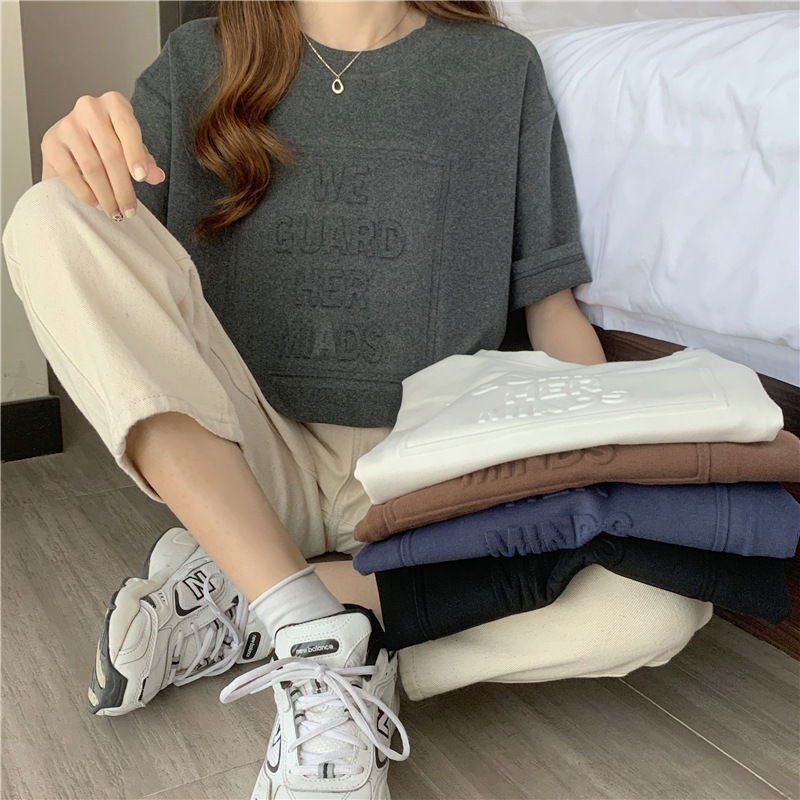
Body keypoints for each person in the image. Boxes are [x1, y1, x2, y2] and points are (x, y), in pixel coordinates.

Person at [1, 2, 713, 798]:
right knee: (47, 214)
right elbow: (107, 264)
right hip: (254, 457)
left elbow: (552, 311)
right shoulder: (197, 60)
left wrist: (616, 462)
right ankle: (307, 625)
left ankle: (262, 603)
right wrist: (77, 159)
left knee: (654, 606)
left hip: (429, 478)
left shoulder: (500, 69)